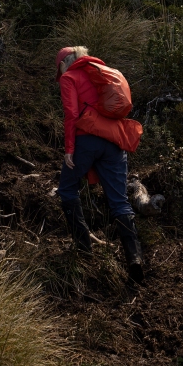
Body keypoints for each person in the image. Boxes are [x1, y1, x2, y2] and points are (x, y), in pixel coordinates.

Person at [55, 46, 143, 277]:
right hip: (114, 140)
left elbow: (71, 115)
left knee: (67, 190)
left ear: (64, 63)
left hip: (86, 141)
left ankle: (84, 251)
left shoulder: (69, 77)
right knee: (120, 201)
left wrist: (69, 150)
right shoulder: (101, 71)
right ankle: (134, 258)